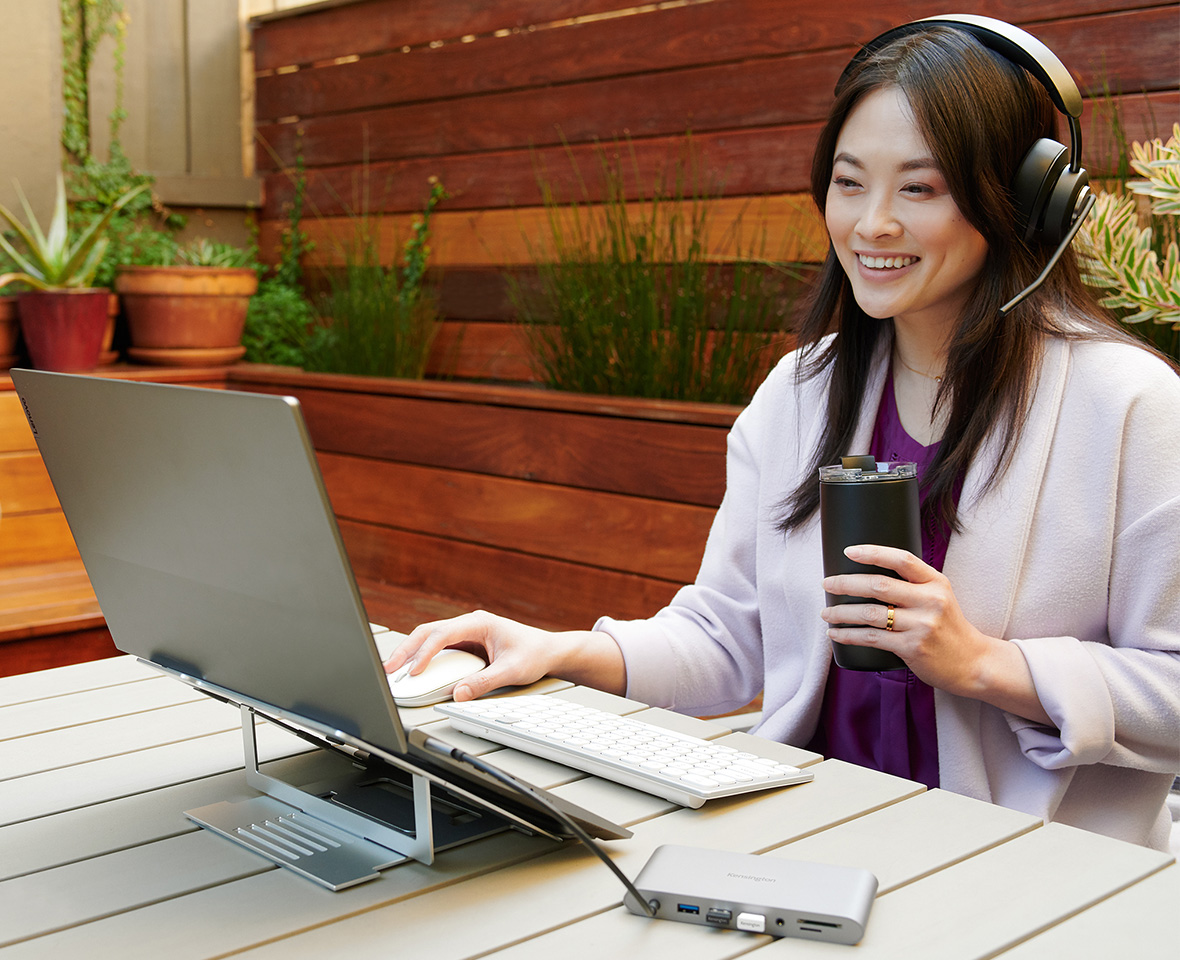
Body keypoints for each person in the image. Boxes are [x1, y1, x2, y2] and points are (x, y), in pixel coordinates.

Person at [385, 18, 1180, 851]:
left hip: (1024, 870)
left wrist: (983, 664)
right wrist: (560, 650)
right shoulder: (801, 391)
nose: (871, 224)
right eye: (849, 182)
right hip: (811, 838)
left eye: (920, 188)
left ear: (1021, 200)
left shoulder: (1128, 406)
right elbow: (730, 639)